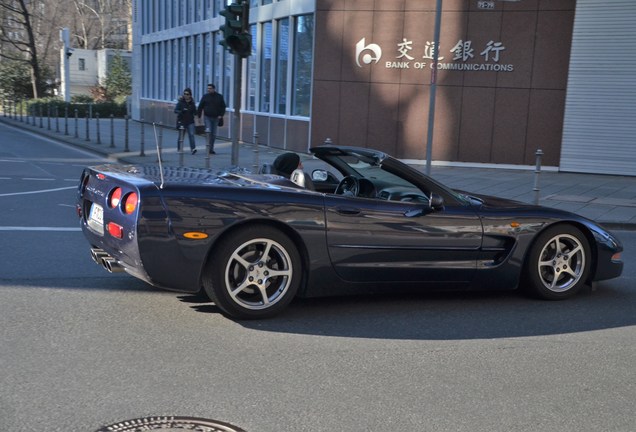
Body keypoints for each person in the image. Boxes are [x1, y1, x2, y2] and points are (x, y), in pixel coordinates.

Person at [197, 83, 226, 155]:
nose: (208, 90)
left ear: (213, 89)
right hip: (207, 117)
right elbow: (200, 107)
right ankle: (208, 147)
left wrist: (221, 115)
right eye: (208, 88)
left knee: (213, 134)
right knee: (208, 132)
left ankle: (211, 149)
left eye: (210, 88)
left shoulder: (219, 97)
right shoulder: (205, 97)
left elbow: (223, 107)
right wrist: (199, 117)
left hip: (216, 117)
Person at [174, 88, 198, 154]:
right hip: (182, 121)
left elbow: (195, 112)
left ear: (190, 95)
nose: (185, 95)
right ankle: (179, 149)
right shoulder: (181, 102)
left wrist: (196, 113)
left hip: (190, 121)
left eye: (187, 94)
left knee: (191, 135)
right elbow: (175, 110)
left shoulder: (192, 103)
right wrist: (181, 111)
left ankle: (193, 149)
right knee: (181, 135)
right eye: (184, 94)